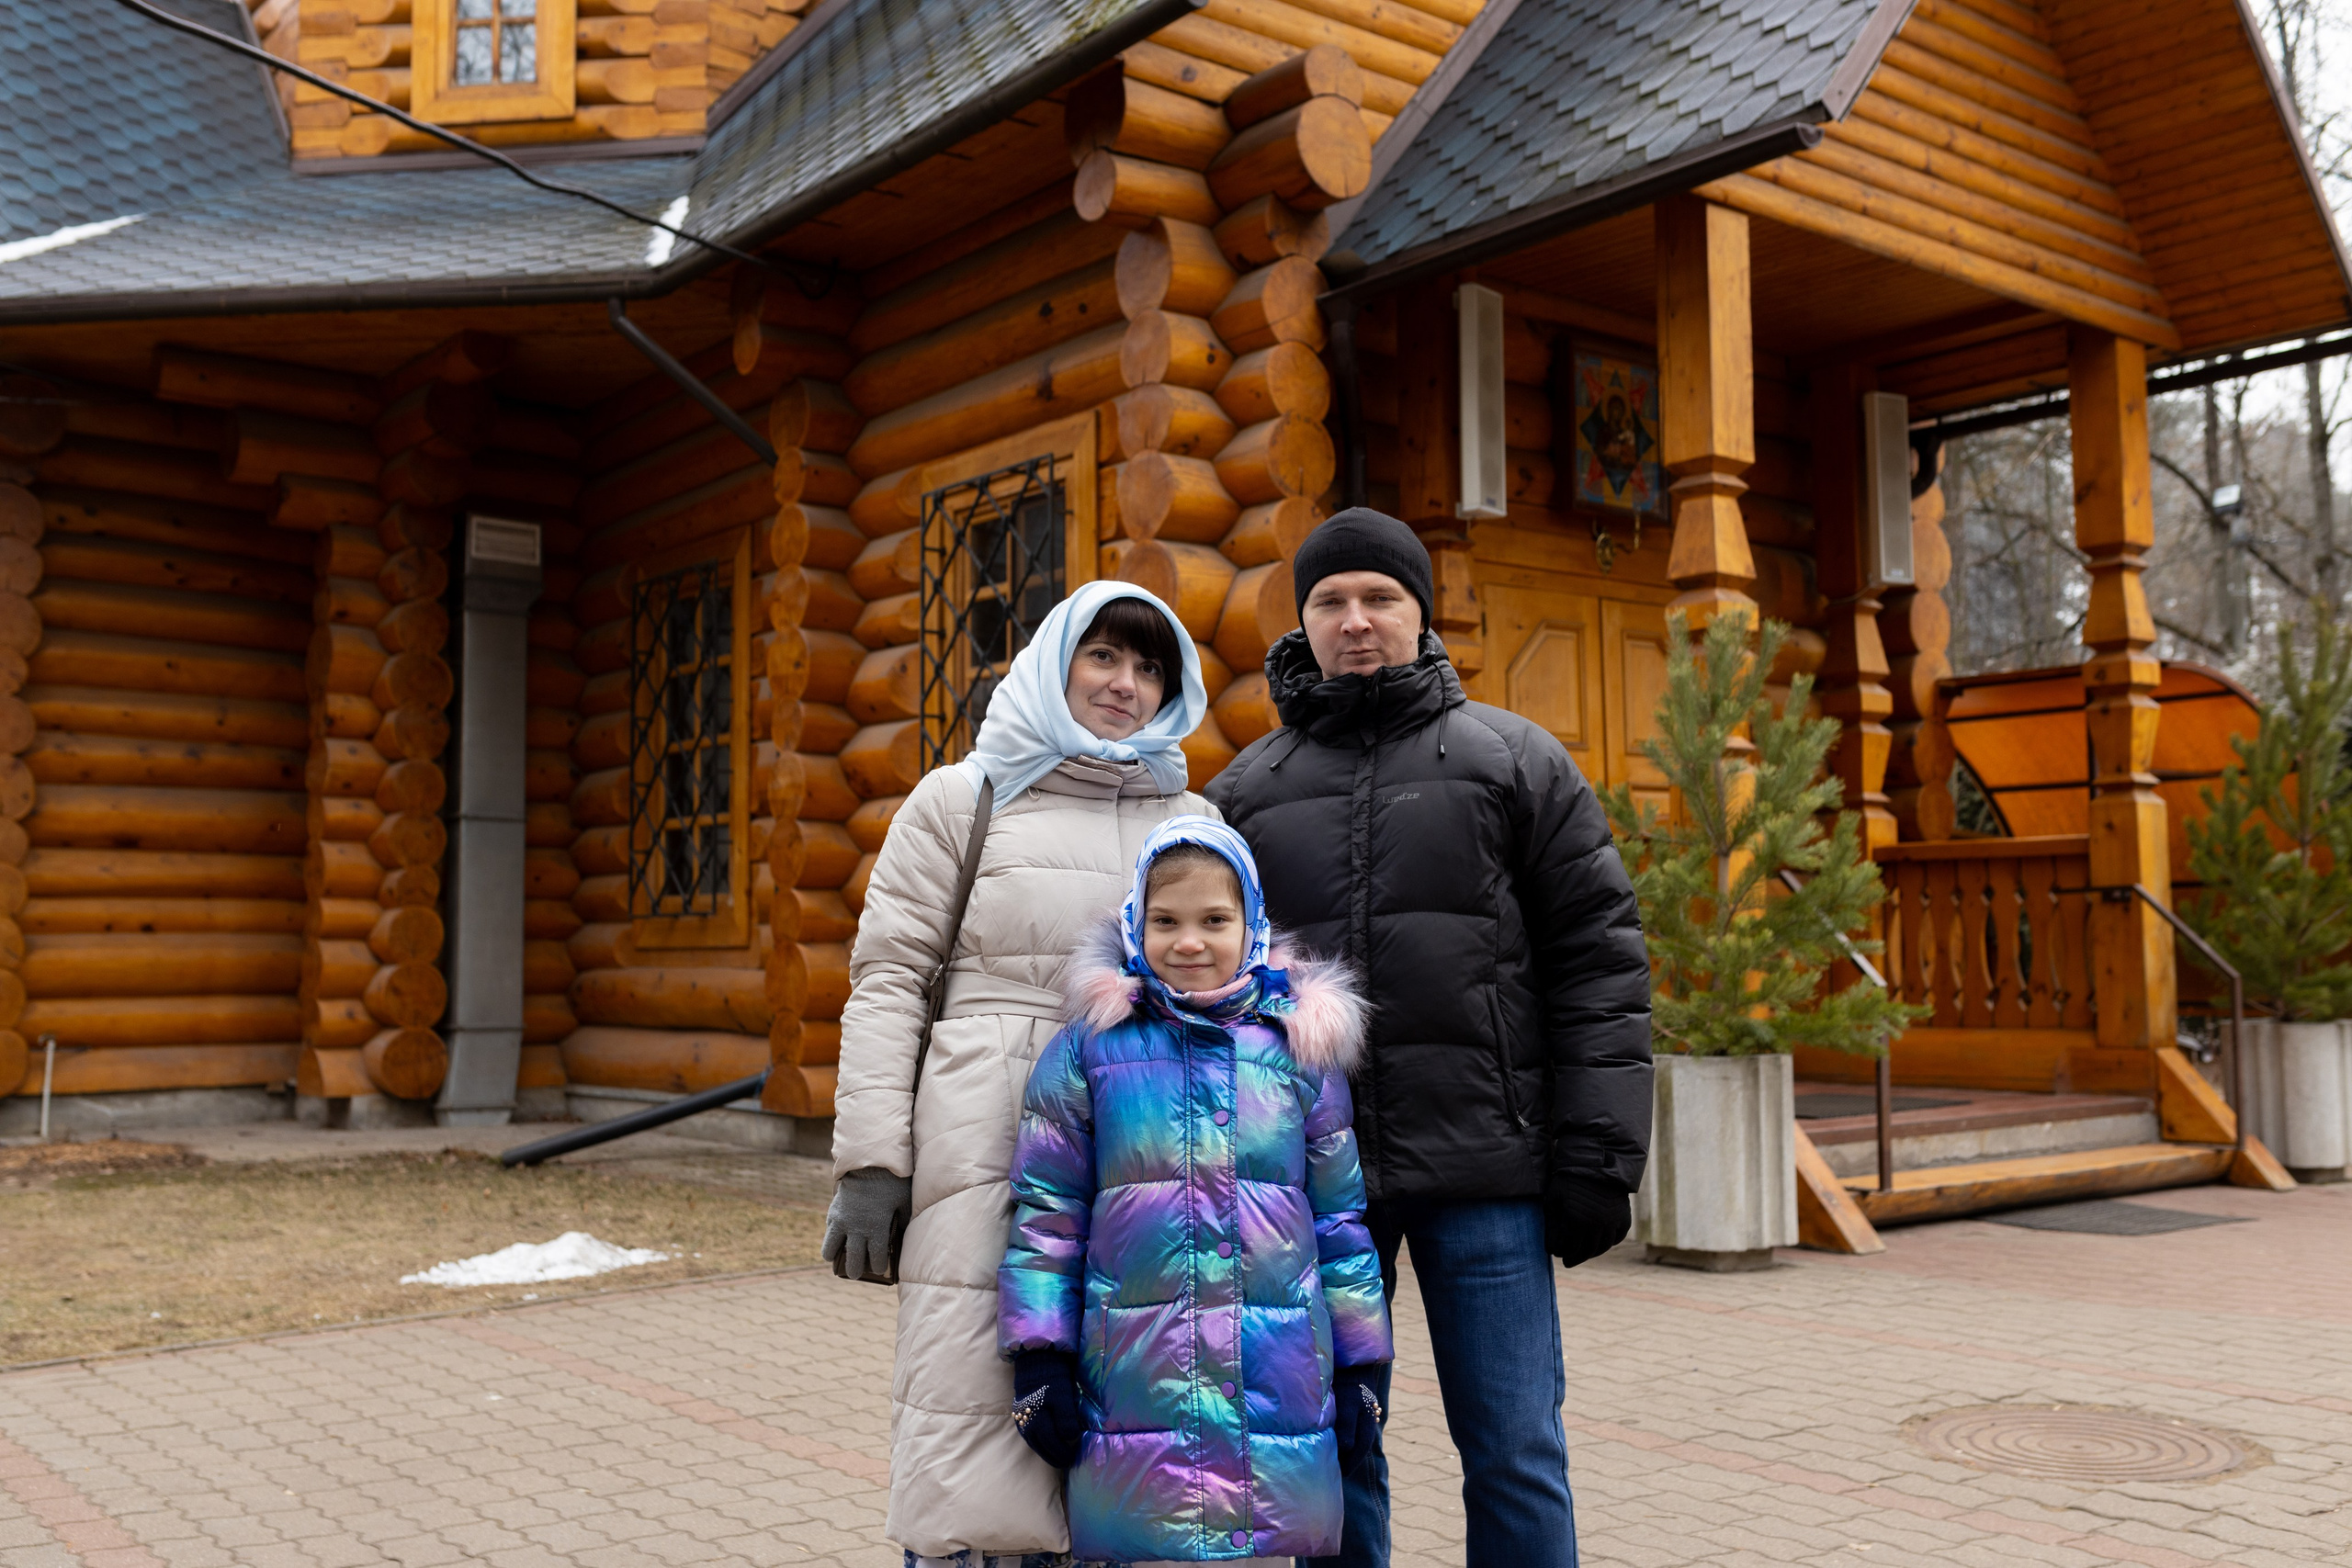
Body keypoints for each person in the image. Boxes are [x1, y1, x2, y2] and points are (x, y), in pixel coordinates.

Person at [1204, 507, 1654, 1568]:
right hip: (1312, 1187)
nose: (1356, 622)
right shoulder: (1242, 795)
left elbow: (1599, 960)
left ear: (1420, 612)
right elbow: (1201, 989)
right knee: (1331, 1446)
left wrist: (1597, 1154)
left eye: (1380, 599)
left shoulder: (1515, 761)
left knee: (1513, 1447)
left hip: (1485, 1175)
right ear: (1302, 620)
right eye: (1330, 602)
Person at [827, 581, 1214, 1568]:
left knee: (1125, 1422)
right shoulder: (964, 798)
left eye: (1148, 667)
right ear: (1053, 662)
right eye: (1103, 658)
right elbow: (888, 984)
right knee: (971, 1406)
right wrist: (872, 1165)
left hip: (1143, 1158)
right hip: (982, 1141)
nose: (1126, 685)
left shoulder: (1193, 815)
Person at [998, 816, 1391, 1566]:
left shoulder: (1296, 1051)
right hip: (1137, 1386)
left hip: (1277, 1387)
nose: (1189, 942)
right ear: (1133, 925)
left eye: (1214, 919)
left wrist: (1363, 1360)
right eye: (1165, 920)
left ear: (1252, 923)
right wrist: (1039, 1353)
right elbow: (1047, 1211)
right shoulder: (1092, 1046)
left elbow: (1341, 1225)